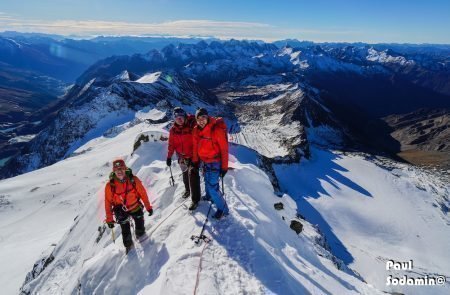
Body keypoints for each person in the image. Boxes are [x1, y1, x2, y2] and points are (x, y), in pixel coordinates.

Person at [104, 159, 153, 253]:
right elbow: (108, 203)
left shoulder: (133, 180)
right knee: (125, 230)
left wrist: (148, 207)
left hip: (135, 206)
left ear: (125, 169)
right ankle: (128, 246)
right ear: (114, 171)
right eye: (117, 169)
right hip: (121, 211)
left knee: (140, 224)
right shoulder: (110, 185)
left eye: (121, 168)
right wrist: (109, 219)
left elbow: (142, 193)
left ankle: (141, 236)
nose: (119, 171)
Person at [192, 108, 229, 219]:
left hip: (215, 162)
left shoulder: (216, 130)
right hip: (204, 162)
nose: (201, 120)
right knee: (207, 181)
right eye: (198, 118)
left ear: (207, 117)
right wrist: (195, 160)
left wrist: (224, 167)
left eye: (203, 117)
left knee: (212, 187)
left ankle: (223, 210)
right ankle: (209, 197)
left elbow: (224, 149)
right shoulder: (196, 130)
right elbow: (195, 147)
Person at [166, 107, 201, 210]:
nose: (179, 120)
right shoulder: (173, 130)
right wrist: (169, 156)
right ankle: (187, 190)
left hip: (192, 155)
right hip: (181, 156)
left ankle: (195, 200)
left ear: (185, 116)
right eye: (177, 118)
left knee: (193, 176)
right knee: (185, 174)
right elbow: (171, 144)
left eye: (181, 117)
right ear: (174, 119)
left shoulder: (191, 126)